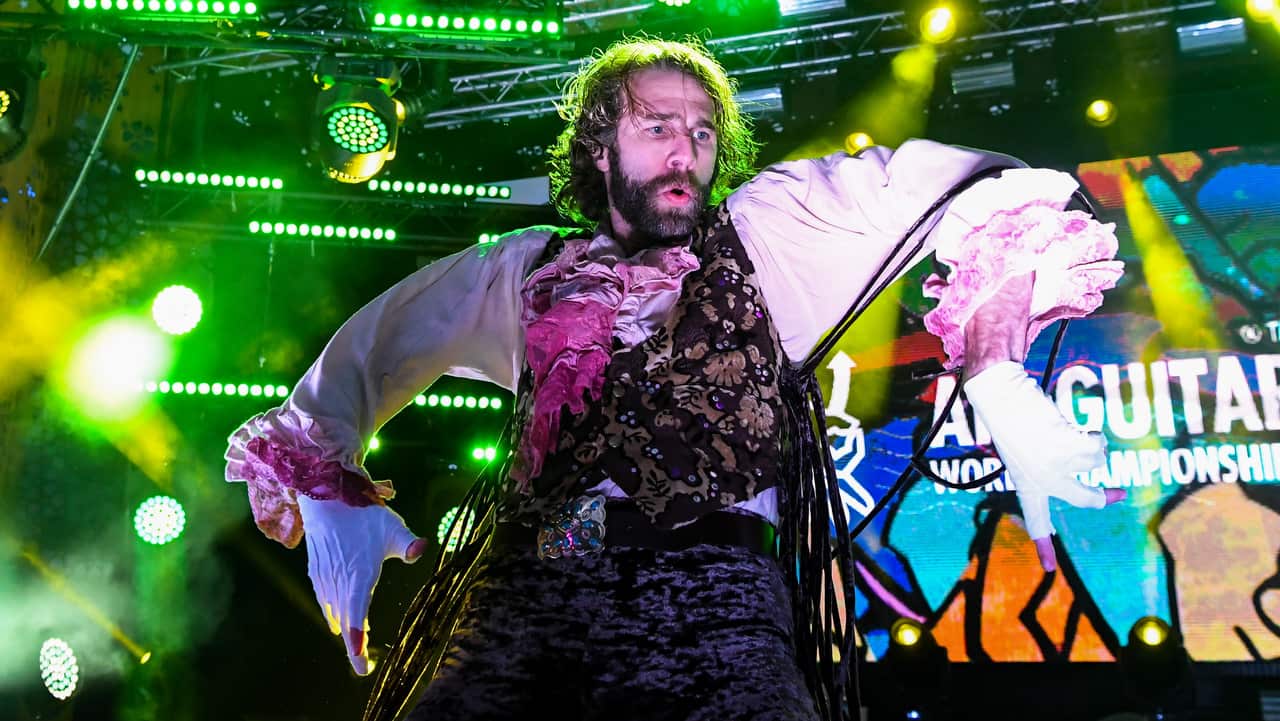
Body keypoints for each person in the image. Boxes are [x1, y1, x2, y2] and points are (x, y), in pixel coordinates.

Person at [225, 38, 1127, 721]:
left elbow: (977, 191)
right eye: (656, 127)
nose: (684, 150)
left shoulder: (774, 231)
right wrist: (332, 495)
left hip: (717, 584)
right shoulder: (524, 270)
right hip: (543, 569)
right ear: (598, 146)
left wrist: (999, 368)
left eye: (700, 131)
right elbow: (371, 350)